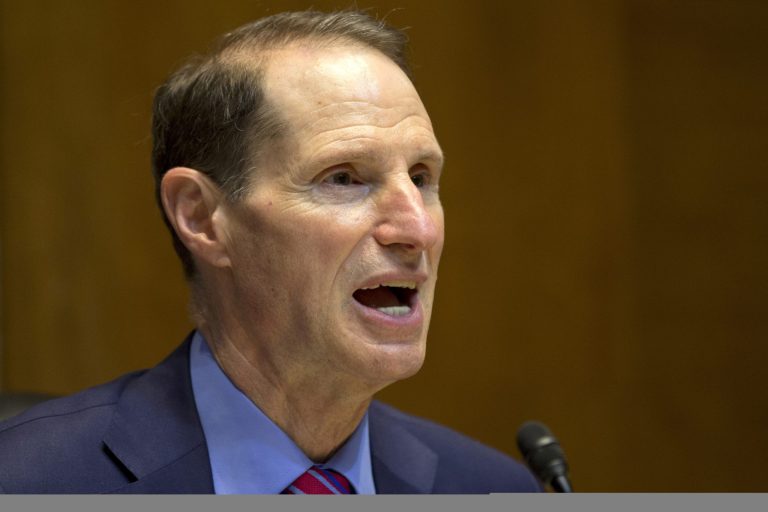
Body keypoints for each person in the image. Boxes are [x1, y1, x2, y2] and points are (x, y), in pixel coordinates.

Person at [0, 10, 540, 494]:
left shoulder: (491, 489)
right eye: (345, 178)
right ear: (202, 217)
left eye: (421, 177)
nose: (417, 228)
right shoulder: (29, 481)